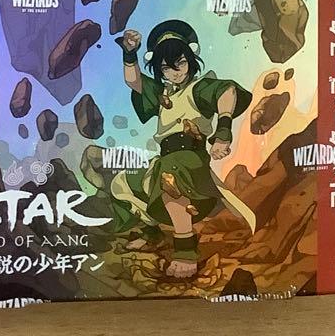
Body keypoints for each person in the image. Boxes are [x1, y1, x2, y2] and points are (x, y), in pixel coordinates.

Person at [109, 20, 255, 279]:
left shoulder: (198, 88)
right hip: (165, 157)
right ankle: (152, 234)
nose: (175, 72)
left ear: (191, 60)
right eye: (166, 68)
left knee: (170, 176)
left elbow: (228, 92)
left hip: (190, 159)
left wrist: (223, 131)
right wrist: (129, 53)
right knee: (121, 184)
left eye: (181, 63)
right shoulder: (163, 93)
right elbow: (134, 81)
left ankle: (186, 251)